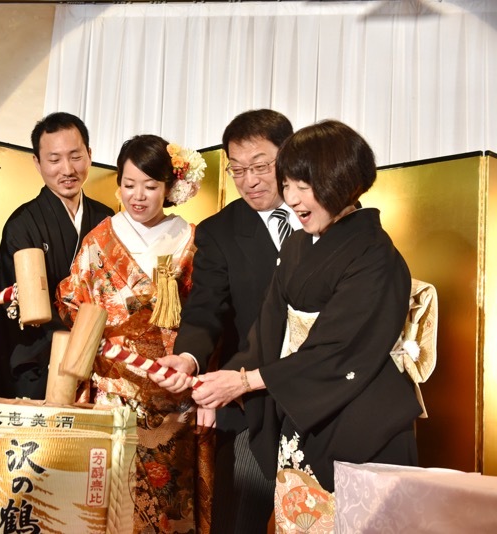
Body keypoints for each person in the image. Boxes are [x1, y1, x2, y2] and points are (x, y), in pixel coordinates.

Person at [188, 120, 422, 532]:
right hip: (303, 405)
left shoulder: (375, 256)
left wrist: (244, 383)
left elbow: (338, 350)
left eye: (303, 186)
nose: (292, 199)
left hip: (361, 416)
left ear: (341, 181)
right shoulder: (298, 245)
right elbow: (269, 330)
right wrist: (223, 383)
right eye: (288, 185)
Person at [150, 109, 298, 532]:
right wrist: (188, 359)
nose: (249, 181)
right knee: (237, 523)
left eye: (260, 167)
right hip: (248, 399)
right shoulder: (221, 231)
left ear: (289, 157)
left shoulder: (323, 215)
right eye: (237, 170)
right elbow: (206, 308)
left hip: (316, 396)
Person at [57, 134, 210, 533]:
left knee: (170, 500)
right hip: (114, 385)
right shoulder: (100, 238)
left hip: (171, 387)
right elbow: (73, 302)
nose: (138, 196)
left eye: (150, 186)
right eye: (128, 184)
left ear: (170, 187)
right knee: (110, 495)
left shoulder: (191, 239)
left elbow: (207, 314)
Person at [0, 112, 113, 399]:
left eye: (75, 156)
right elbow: (33, 308)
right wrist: (81, 345)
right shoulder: (23, 223)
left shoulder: (106, 219)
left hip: (99, 362)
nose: (67, 169)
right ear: (37, 164)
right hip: (38, 360)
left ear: (89, 155)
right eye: (54, 160)